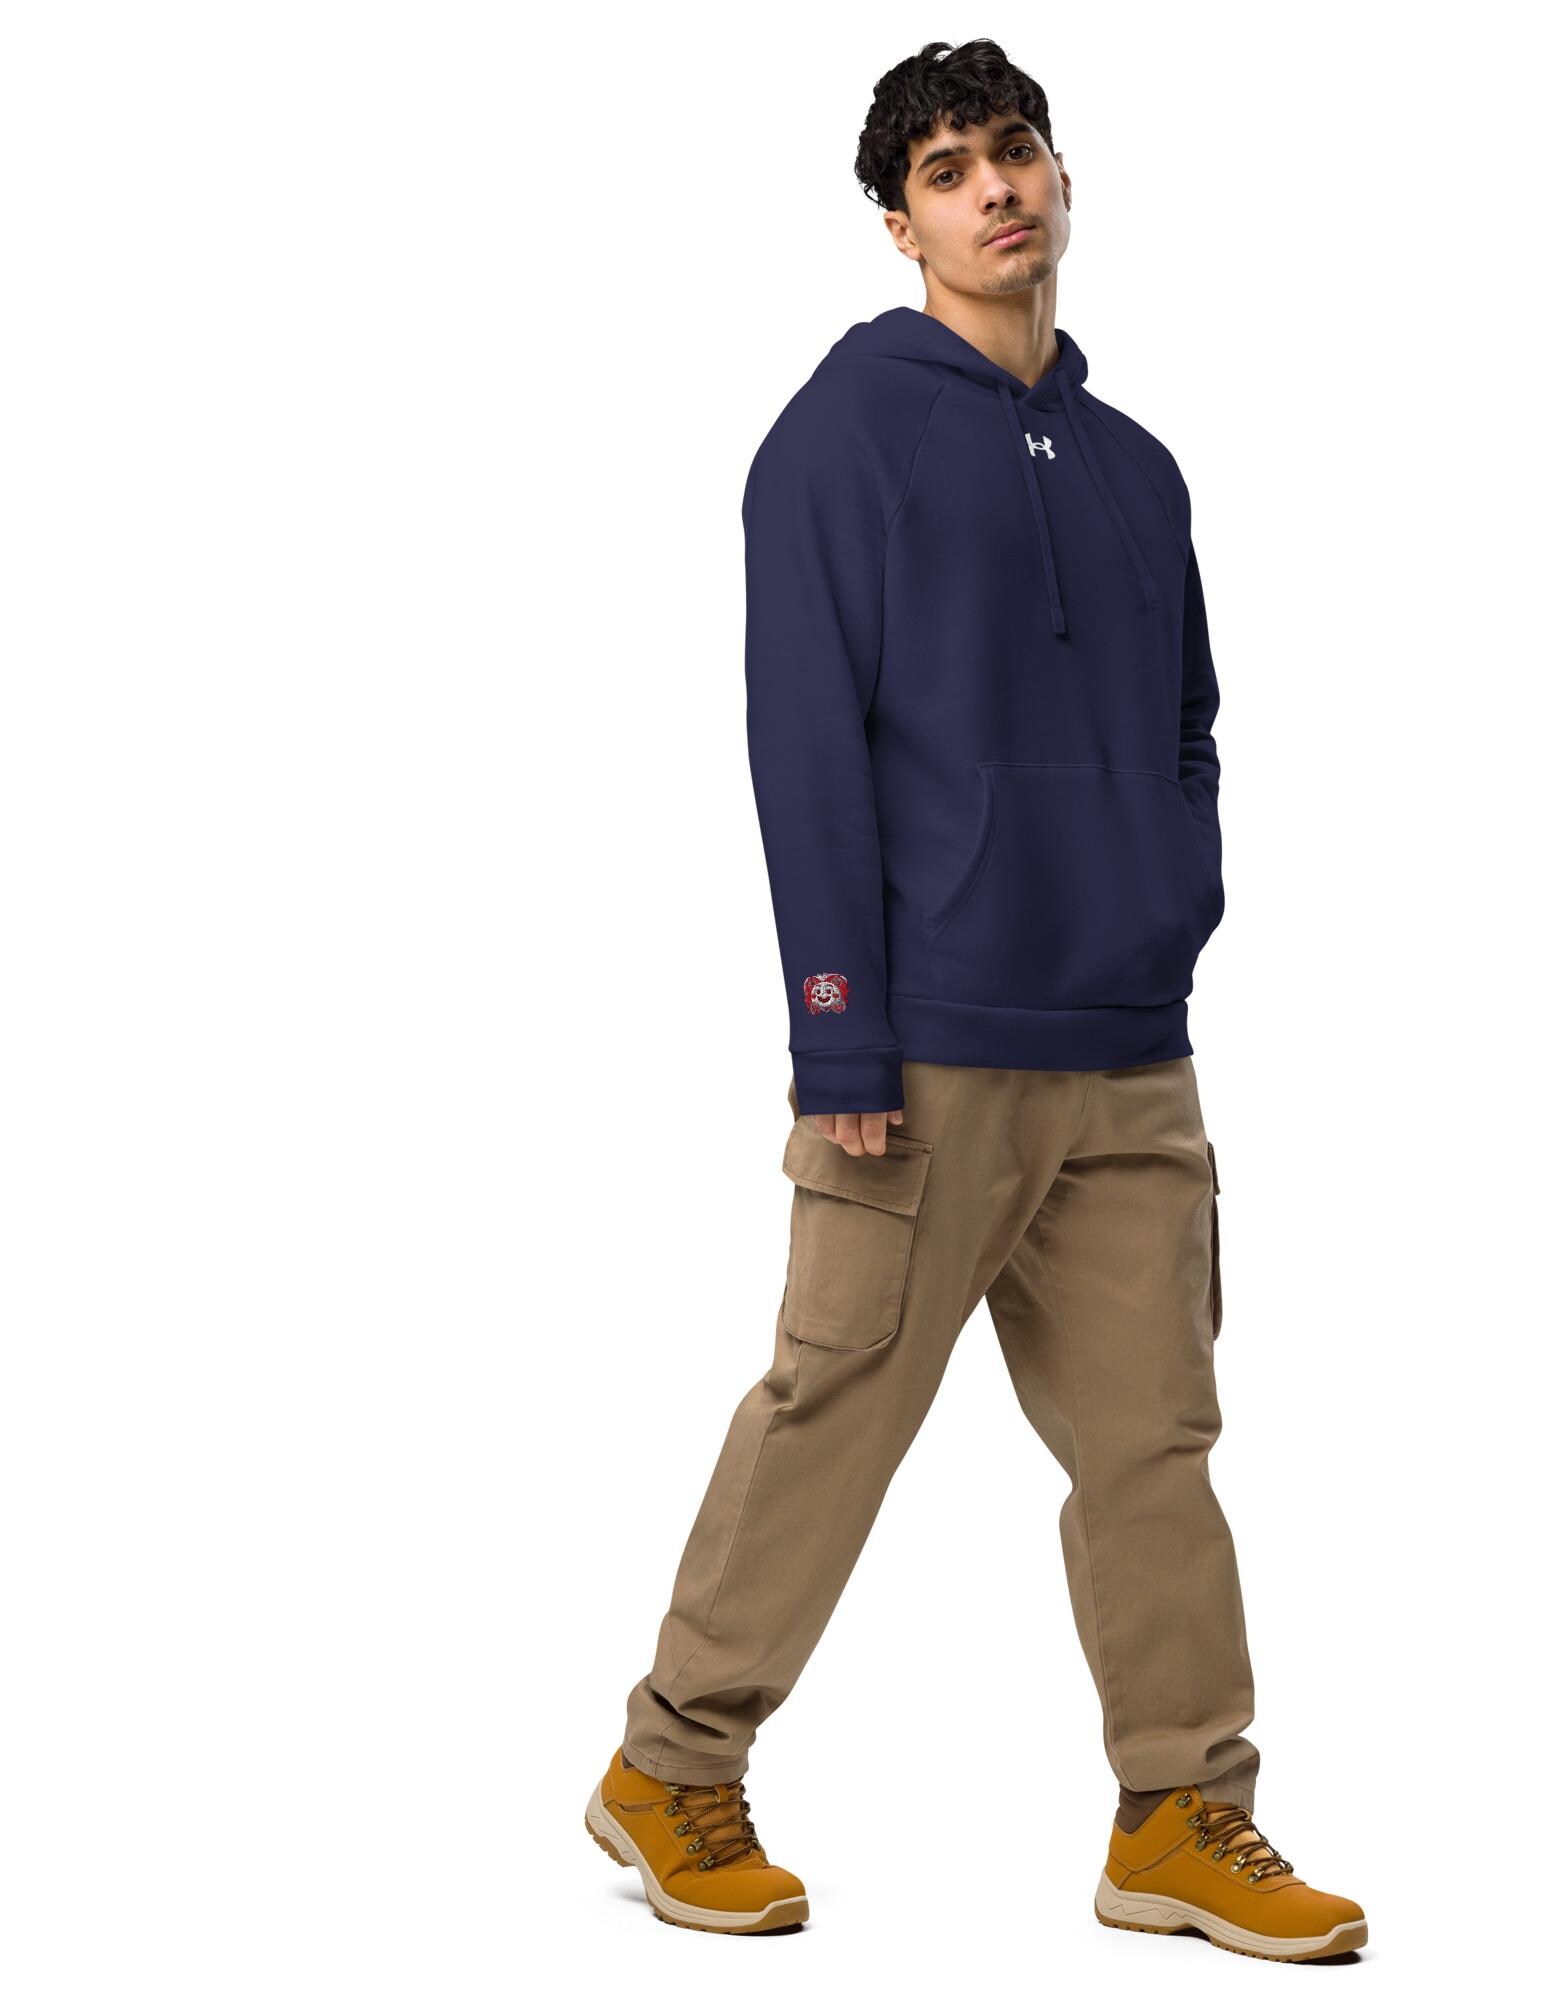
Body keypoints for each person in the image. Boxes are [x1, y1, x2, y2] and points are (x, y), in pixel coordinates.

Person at [584, 39, 1368, 1964]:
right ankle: (672, 1766)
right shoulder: (841, 438)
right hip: (926, 1046)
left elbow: (1189, 720)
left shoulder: (1137, 467)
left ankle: (1181, 1809)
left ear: (1061, 178)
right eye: (947, 170)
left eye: (1014, 152)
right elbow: (805, 750)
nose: (994, 188)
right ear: (900, 225)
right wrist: (837, 1025)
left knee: (1155, 1447)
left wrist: (1172, 899)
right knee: (838, 1407)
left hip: (1129, 1047)